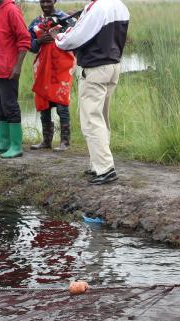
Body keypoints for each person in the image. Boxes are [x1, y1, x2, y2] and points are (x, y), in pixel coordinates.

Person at [55, 0, 130, 184]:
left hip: (95, 68)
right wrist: (79, 22)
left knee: (91, 120)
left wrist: (58, 36)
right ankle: (98, 165)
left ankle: (105, 169)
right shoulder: (120, 6)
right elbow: (97, 33)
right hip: (113, 66)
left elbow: (73, 39)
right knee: (101, 118)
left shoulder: (96, 7)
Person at [0, 0, 32, 160]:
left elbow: (24, 39)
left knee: (10, 106)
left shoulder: (11, 10)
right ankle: (4, 142)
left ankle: (16, 146)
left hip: (8, 70)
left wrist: (18, 67)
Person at [28, 0, 75, 151]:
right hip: (42, 68)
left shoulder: (66, 19)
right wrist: (38, 41)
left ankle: (65, 142)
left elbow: (77, 38)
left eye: (49, 1)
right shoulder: (36, 22)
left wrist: (59, 36)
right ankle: (46, 141)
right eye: (42, 1)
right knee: (44, 103)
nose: (46, 4)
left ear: (55, 1)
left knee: (62, 103)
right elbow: (29, 45)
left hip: (61, 67)